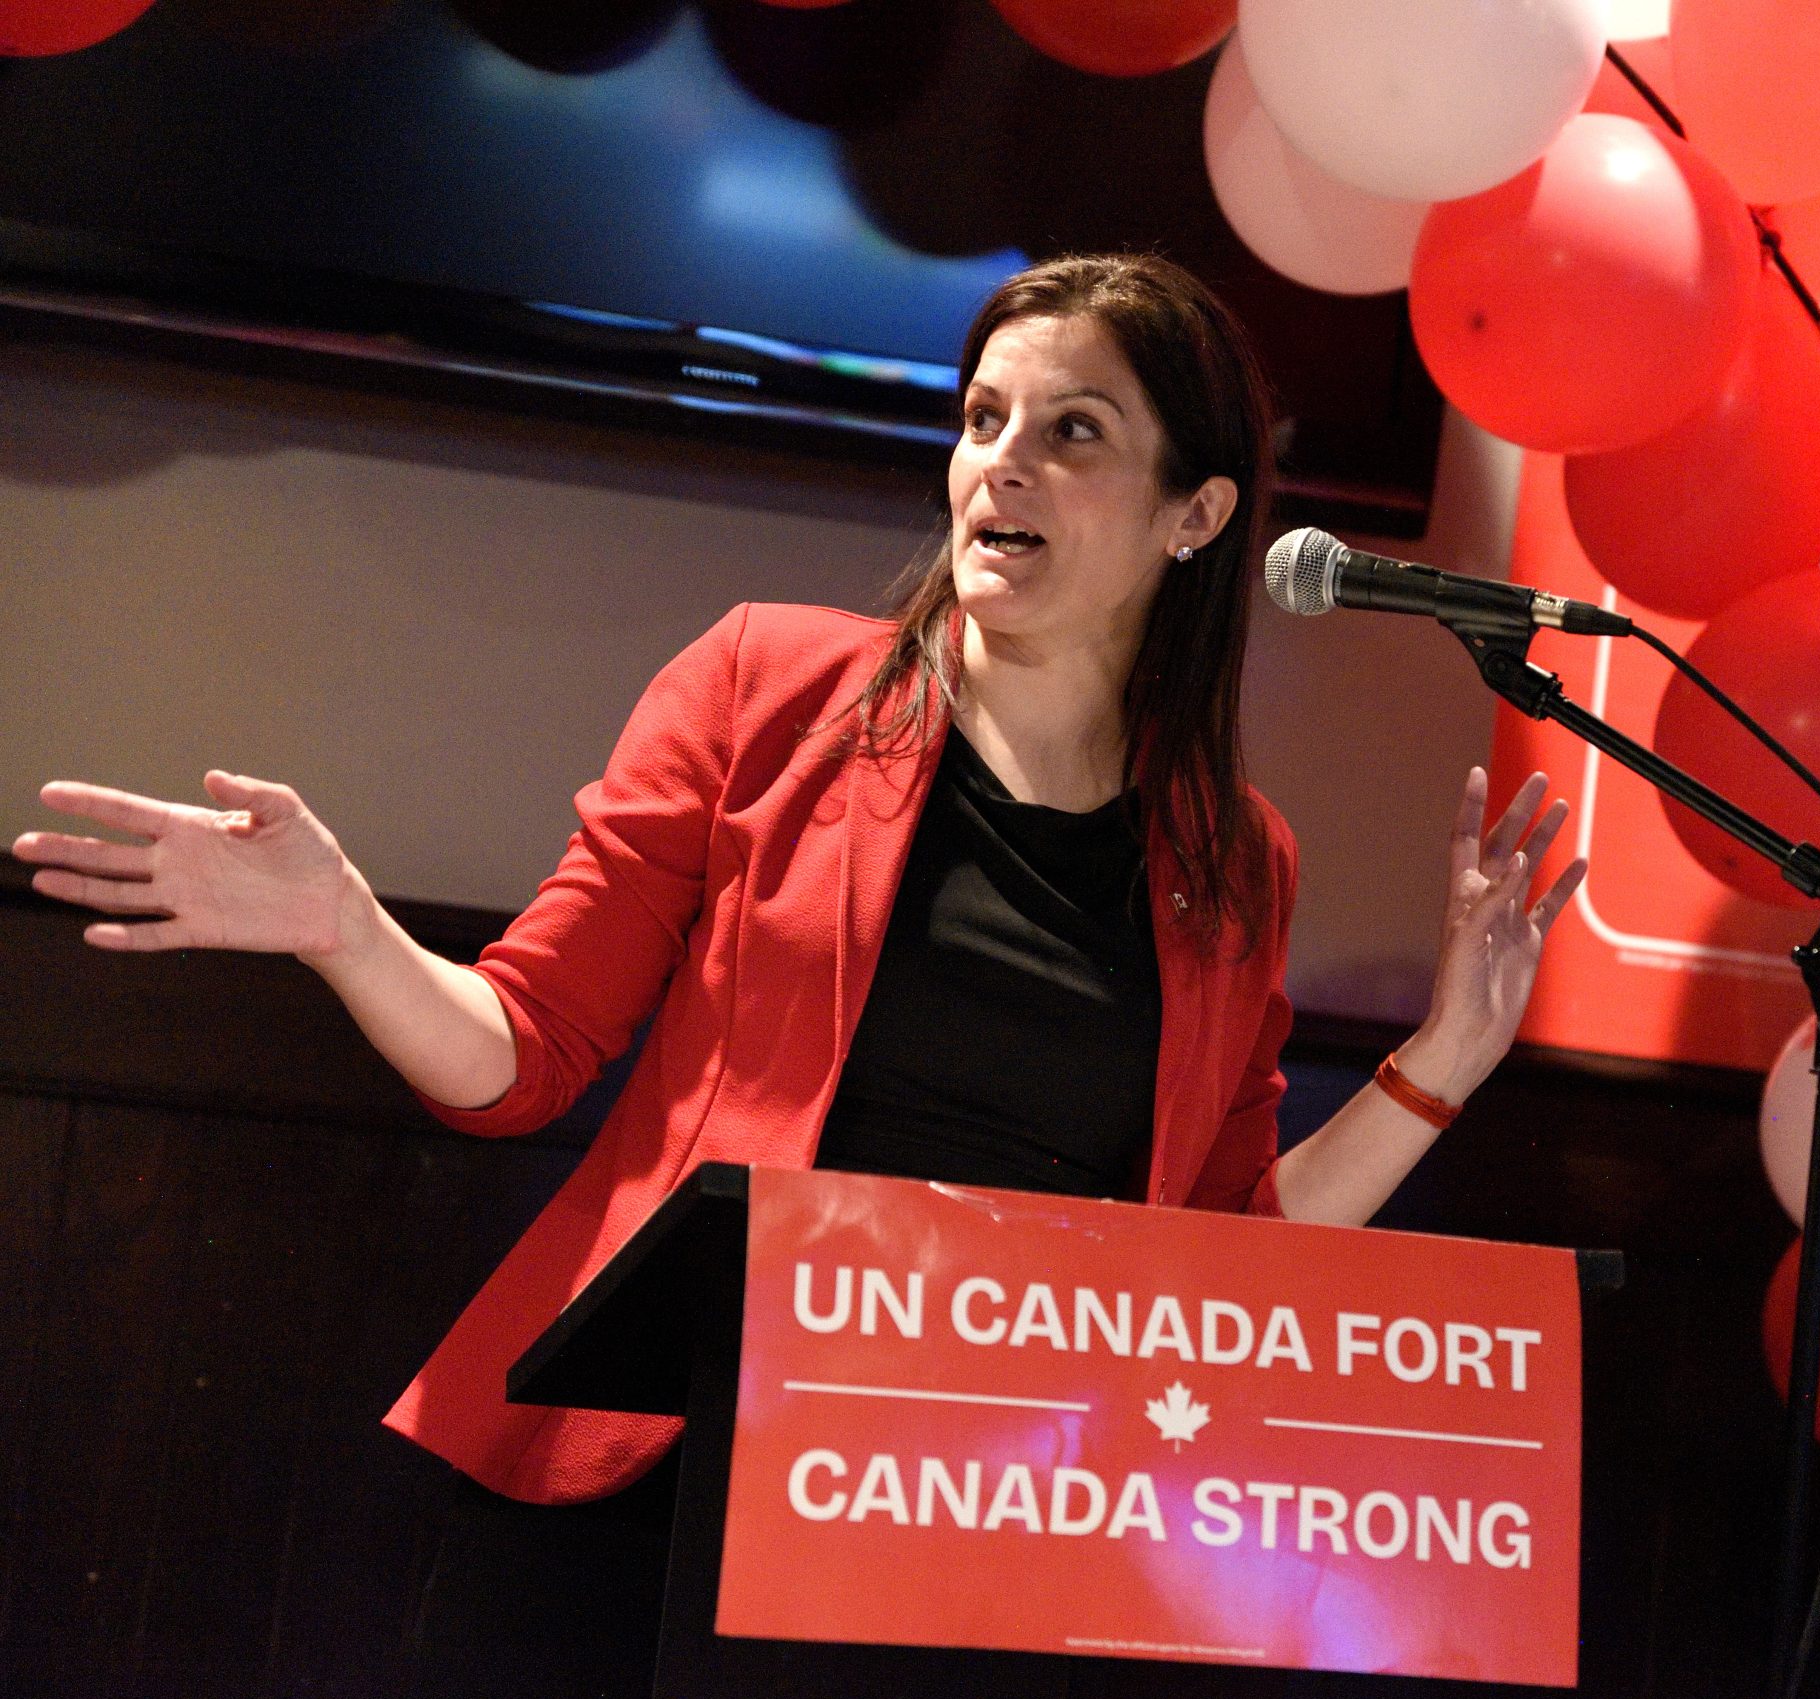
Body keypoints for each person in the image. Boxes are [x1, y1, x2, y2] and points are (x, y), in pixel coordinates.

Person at [11, 254, 1587, 1508]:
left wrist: (1446, 1061)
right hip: (682, 1454)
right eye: (983, 421)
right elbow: (521, 1053)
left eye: (1072, 431)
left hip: (997, 1499)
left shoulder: (1235, 859)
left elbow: (1224, 1249)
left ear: (1198, 515)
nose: (1001, 467)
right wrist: (343, 929)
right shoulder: (766, 683)